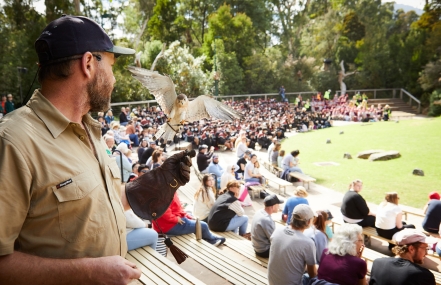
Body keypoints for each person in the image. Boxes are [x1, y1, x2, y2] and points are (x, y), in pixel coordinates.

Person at [0, 15, 141, 284]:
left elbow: (85, 210)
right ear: (88, 64)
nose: (114, 79)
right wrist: (89, 272)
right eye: (111, 67)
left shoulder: (92, 129)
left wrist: (143, 189)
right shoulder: (13, 142)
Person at [267, 204, 318, 285]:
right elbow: (313, 274)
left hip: (272, 282)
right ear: (308, 222)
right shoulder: (308, 243)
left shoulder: (278, 230)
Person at [153, 193, 225, 246]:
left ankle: (211, 237)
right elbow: (164, 211)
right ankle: (211, 240)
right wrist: (175, 219)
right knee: (203, 225)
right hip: (169, 226)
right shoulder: (163, 192)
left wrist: (186, 215)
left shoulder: (169, 190)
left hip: (170, 222)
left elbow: (177, 208)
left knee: (190, 215)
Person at [369, 229, 436, 285]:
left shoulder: (377, 263)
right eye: (425, 248)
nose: (426, 253)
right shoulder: (424, 276)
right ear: (411, 249)